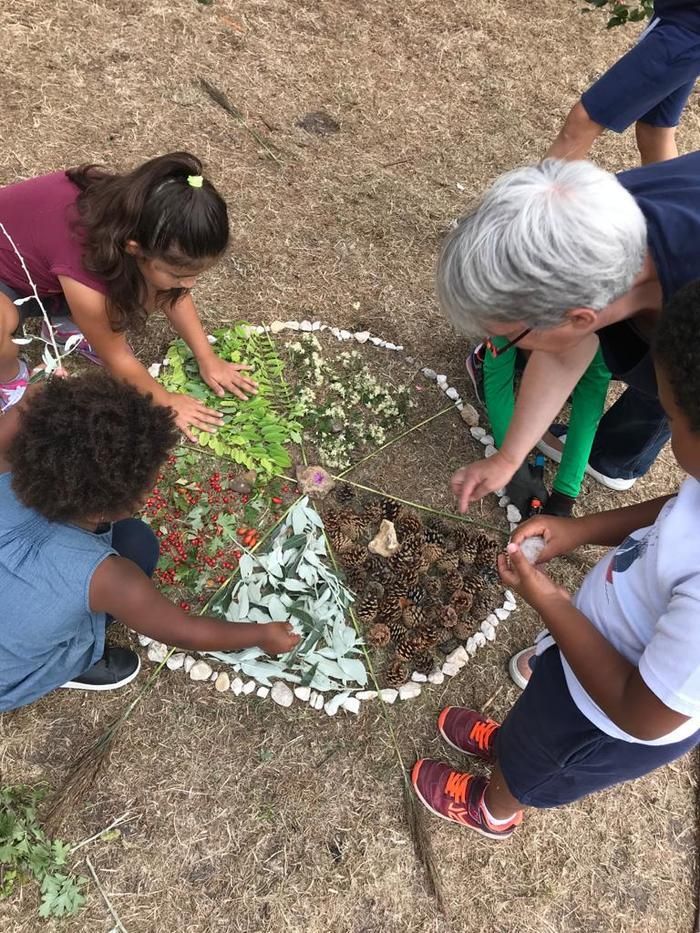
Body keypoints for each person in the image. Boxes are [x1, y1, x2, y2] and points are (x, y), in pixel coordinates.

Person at [411, 282, 700, 838]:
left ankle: (493, 806)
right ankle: (509, 741)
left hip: (600, 720)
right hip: (583, 658)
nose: (663, 414)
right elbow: (677, 510)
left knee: (536, 763)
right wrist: (581, 529)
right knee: (535, 717)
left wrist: (550, 600)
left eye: (673, 413)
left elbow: (637, 711)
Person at [0, 372, 299, 712]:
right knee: (138, 544)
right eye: (146, 484)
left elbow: (27, 404)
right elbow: (184, 631)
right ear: (106, 508)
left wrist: (61, 402)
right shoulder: (111, 580)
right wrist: (262, 635)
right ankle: (68, 664)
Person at [439, 152, 700, 513]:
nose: (497, 348)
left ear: (579, 317)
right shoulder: (589, 221)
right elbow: (563, 351)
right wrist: (508, 458)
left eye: (511, 339)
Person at [0, 152, 257, 439]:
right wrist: (166, 401)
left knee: (138, 289)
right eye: (178, 274)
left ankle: (63, 327)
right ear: (135, 248)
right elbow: (118, 359)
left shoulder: (142, 216)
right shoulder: (85, 264)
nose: (190, 284)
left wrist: (206, 356)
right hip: (10, 278)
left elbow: (173, 293)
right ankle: (10, 381)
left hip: (45, 274)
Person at [467, 337, 611, 516]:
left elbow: (589, 403)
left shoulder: (603, 339)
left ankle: (562, 368)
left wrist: (564, 496)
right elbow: (498, 379)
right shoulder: (508, 320)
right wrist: (512, 463)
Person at [548, 3, 700, 165]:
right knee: (654, 131)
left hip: (688, 32)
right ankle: (666, 190)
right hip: (681, 18)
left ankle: (542, 190)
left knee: (583, 122)